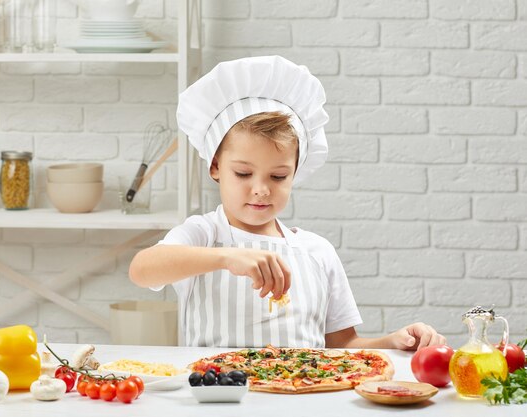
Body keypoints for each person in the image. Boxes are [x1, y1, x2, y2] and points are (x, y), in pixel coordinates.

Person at [130, 56, 445, 350]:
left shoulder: (316, 252)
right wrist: (226, 257)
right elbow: (142, 270)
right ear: (215, 167)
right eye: (243, 173)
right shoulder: (204, 235)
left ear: (295, 173)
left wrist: (393, 342)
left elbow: (343, 347)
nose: (261, 190)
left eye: (278, 176)